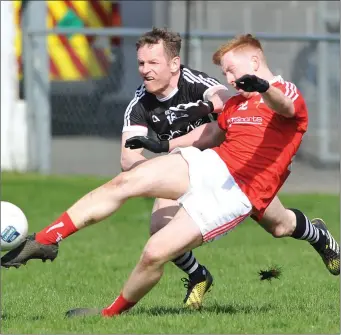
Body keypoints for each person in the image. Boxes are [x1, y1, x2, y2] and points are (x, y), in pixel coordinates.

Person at [2, 33, 339, 317]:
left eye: (232, 71)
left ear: (254, 63)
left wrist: (266, 87)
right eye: (225, 73)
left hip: (238, 193)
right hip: (210, 165)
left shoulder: (283, 90)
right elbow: (209, 137)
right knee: (126, 182)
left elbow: (286, 107)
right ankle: (44, 241)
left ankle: (110, 314)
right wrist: (161, 144)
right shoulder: (236, 103)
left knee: (157, 251)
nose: (229, 80)